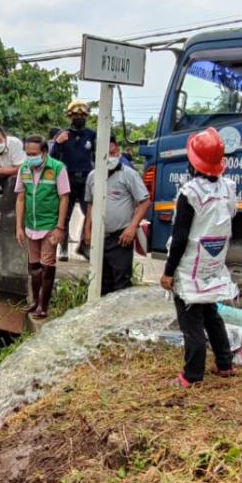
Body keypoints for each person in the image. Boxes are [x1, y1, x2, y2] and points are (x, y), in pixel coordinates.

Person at [160, 128, 238, 387]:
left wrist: (168, 271)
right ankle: (225, 363)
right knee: (211, 312)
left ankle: (192, 375)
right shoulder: (228, 188)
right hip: (213, 261)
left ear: (193, 162)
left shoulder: (190, 193)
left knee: (191, 321)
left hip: (190, 265)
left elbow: (180, 237)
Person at [81, 138, 151, 295]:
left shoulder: (129, 174)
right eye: (106, 154)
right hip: (99, 238)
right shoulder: (93, 176)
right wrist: (87, 230)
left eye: (113, 153)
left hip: (121, 238)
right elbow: (90, 203)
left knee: (121, 284)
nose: (110, 157)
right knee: (100, 282)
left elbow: (145, 201)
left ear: (118, 151)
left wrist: (132, 227)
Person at [14, 135, 69, 319]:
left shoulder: (57, 168)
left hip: (50, 225)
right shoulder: (24, 169)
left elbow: (64, 198)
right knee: (34, 266)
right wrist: (19, 227)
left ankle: (43, 306)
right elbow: (20, 198)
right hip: (31, 225)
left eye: (34, 154)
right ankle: (35, 301)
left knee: (47, 265)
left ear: (44, 152)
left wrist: (60, 227)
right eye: (28, 154)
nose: (30, 157)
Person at [50, 99, 97, 261]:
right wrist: (58, 143)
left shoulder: (92, 135)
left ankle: (84, 245)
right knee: (65, 215)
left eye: (82, 115)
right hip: (67, 179)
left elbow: (98, 156)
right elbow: (52, 158)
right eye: (76, 115)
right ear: (70, 116)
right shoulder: (63, 135)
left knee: (91, 213)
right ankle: (63, 248)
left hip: (86, 180)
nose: (79, 118)